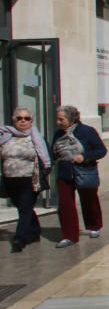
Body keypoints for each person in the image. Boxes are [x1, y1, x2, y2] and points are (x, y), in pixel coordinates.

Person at [51, 105, 107, 247]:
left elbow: (101, 150)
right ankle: (69, 235)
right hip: (64, 172)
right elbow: (54, 151)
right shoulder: (58, 134)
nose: (58, 122)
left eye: (61, 119)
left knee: (89, 200)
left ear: (71, 119)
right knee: (65, 204)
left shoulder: (87, 132)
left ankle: (94, 226)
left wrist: (84, 156)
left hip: (84, 171)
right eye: (57, 119)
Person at [1, 108, 51, 252]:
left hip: (30, 179)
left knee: (24, 209)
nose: (23, 121)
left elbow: (47, 159)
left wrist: (44, 174)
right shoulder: (5, 136)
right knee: (24, 208)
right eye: (19, 118)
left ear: (31, 121)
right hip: (10, 179)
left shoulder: (37, 138)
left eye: (27, 118)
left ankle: (19, 239)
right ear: (13, 119)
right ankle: (35, 232)